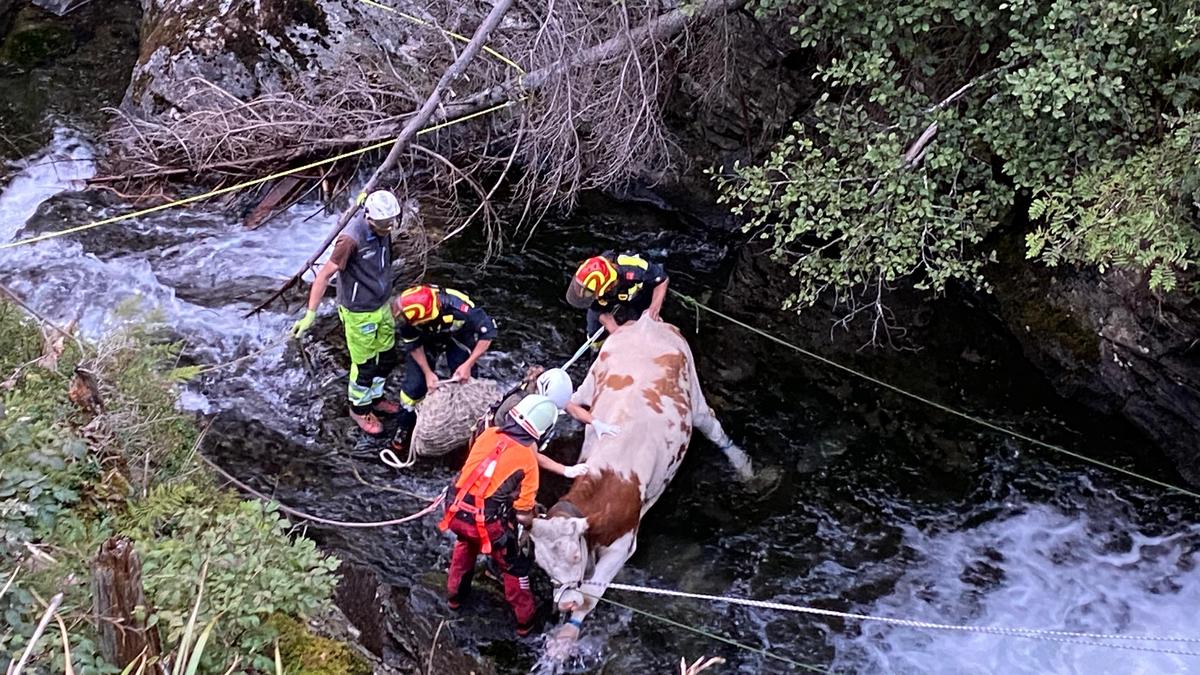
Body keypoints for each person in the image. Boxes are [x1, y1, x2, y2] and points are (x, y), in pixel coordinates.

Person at [438, 394, 559, 636]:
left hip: (455, 512)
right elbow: (524, 515)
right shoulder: (528, 460)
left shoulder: (488, 434)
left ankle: (454, 598)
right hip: (488, 527)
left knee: (465, 546)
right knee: (514, 566)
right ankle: (525, 622)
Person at [291, 189, 408, 435]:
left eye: (391, 222)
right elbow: (323, 275)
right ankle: (358, 408)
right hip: (358, 312)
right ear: (370, 218)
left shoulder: (382, 228)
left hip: (381, 304)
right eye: (383, 223)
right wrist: (310, 314)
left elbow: (362, 201)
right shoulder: (350, 240)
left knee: (386, 357)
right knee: (364, 365)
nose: (388, 228)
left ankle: (375, 399)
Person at [390, 284, 496, 451]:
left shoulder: (462, 309)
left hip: (458, 337)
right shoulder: (407, 316)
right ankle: (404, 425)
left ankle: (468, 425)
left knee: (465, 380)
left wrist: (467, 365)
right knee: (414, 388)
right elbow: (413, 345)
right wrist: (427, 373)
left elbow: (488, 333)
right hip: (427, 338)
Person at [471, 367, 620, 478]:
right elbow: (532, 454)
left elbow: (572, 409)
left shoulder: (544, 391)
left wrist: (596, 423)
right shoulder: (521, 409)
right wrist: (565, 470)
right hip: (496, 443)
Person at [564, 251, 669, 349]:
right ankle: (596, 349)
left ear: (608, 286)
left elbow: (662, 280)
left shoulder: (635, 268)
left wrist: (654, 308)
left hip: (634, 296)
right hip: (608, 300)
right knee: (594, 334)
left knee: (641, 330)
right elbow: (594, 306)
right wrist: (612, 327)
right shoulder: (591, 276)